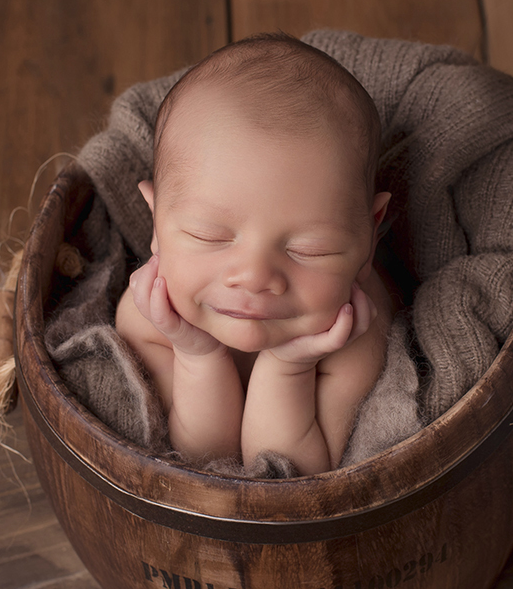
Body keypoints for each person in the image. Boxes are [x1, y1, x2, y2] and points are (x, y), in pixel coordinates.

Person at [115, 34, 393, 475]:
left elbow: (289, 478)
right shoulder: (149, 316)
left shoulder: (354, 336)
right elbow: (203, 463)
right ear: (155, 224)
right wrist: (196, 357)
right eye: (209, 236)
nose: (254, 275)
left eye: (309, 249)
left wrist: (290, 368)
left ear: (371, 234)